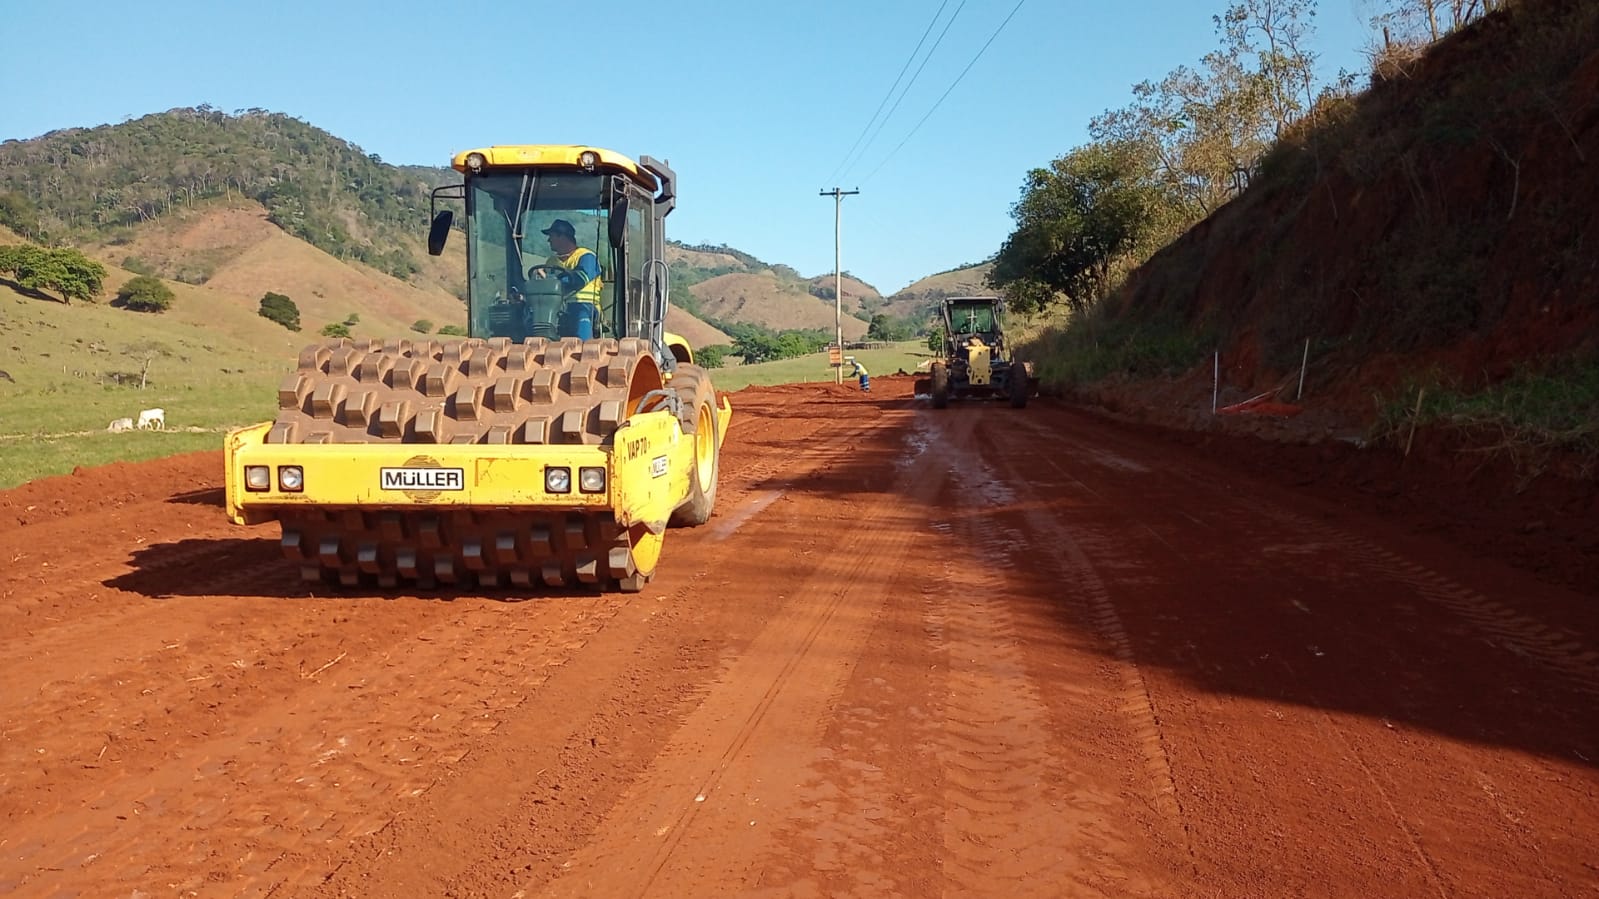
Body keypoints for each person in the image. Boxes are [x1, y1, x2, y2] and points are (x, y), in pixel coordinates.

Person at [527, 219, 602, 339]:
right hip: (556, 308)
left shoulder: (586, 257)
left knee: (579, 313)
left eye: (551, 236)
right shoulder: (551, 262)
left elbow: (580, 279)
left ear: (562, 236)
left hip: (584, 306)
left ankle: (585, 348)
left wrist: (550, 280)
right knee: (529, 315)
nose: (548, 240)